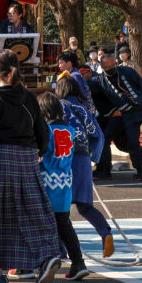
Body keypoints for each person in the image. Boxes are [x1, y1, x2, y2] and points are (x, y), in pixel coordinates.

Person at [0, 50, 63, 283]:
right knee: (34, 212)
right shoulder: (29, 97)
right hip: (28, 159)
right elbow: (43, 129)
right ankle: (46, 257)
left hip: (0, 160)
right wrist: (41, 148)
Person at [54, 76, 113, 258]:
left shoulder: (56, 107)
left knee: (58, 208)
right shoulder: (84, 111)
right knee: (85, 206)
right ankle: (105, 232)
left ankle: (60, 249)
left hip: (63, 159)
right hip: (83, 159)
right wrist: (93, 157)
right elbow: (98, 136)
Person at [36, 92, 89, 281]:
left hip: (46, 184)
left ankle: (41, 263)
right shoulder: (70, 131)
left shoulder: (45, 131)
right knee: (65, 226)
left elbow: (38, 156)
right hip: (65, 183)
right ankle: (78, 262)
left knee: (40, 226)